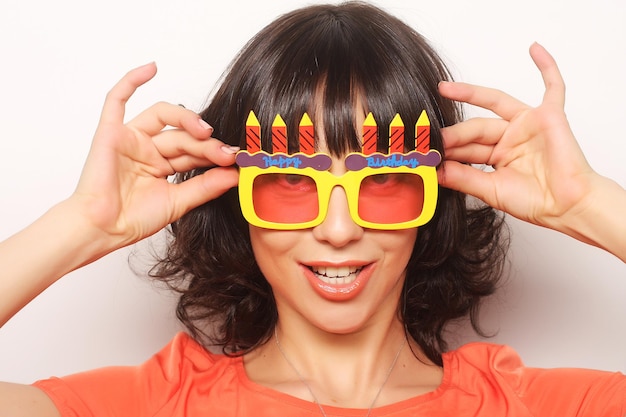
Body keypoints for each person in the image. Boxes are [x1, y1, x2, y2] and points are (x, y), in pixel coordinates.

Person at [0, 2, 625, 416]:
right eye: (291, 185)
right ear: (236, 197)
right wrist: (82, 223)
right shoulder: (157, 404)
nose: (339, 228)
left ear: (431, 201)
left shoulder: (533, 405)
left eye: (383, 183)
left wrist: (585, 203)